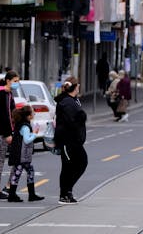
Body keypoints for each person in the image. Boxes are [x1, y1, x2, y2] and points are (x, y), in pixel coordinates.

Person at [54, 76, 87, 205]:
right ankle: (64, 194)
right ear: (74, 87)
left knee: (80, 163)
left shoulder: (73, 100)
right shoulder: (67, 102)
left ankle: (68, 191)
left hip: (75, 140)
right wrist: (81, 117)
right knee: (69, 166)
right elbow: (71, 120)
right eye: (78, 85)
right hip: (67, 140)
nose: (79, 87)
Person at [0, 70, 19, 200]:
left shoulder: (9, 94)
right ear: (8, 81)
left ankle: (7, 187)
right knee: (0, 162)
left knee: (17, 159)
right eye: (15, 81)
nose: (17, 83)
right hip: (1, 133)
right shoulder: (2, 94)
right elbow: (2, 116)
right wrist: (7, 134)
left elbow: (12, 113)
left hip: (9, 132)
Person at [7, 105, 44, 202]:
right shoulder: (25, 126)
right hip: (21, 155)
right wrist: (35, 133)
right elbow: (27, 140)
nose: (34, 113)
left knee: (26, 171)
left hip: (21, 154)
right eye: (33, 112)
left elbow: (25, 138)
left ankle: (29, 195)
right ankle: (13, 195)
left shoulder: (22, 125)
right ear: (28, 115)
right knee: (18, 172)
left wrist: (33, 133)